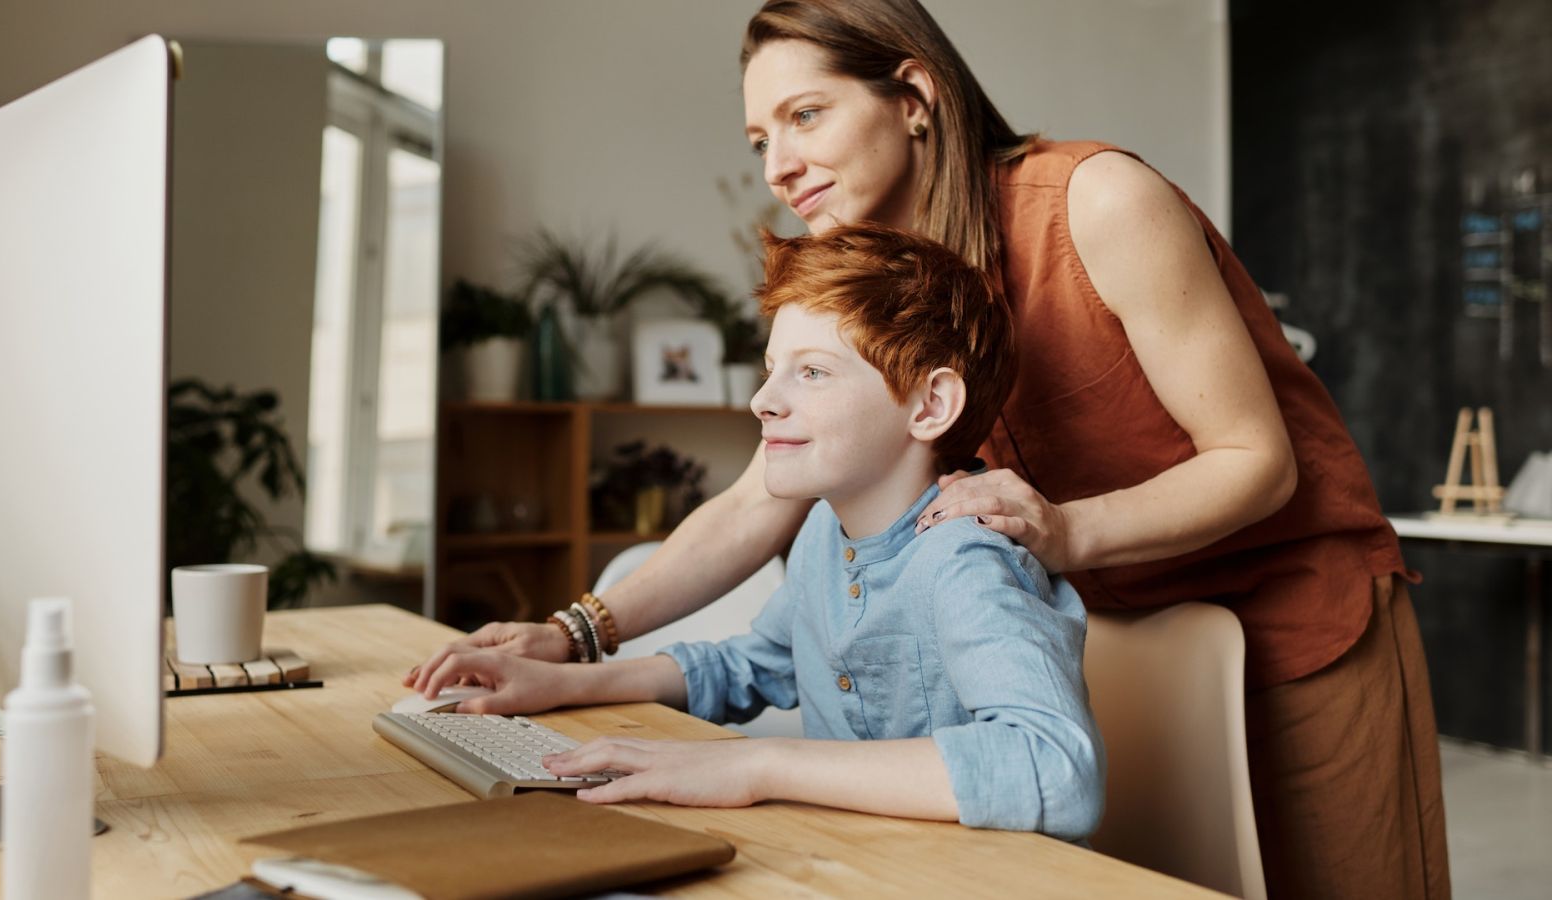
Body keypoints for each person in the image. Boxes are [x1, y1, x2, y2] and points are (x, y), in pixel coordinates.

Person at [410, 2, 1448, 896]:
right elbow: (756, 500)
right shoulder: (862, 268)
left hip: (1295, 617)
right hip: (1111, 623)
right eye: (757, 139)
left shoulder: (1096, 201)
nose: (779, 164)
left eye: (805, 115)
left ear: (914, 96)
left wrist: (1063, 529)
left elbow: (1254, 461)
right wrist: (574, 634)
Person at [410, 223, 1105, 838]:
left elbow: (1055, 767)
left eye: (811, 372)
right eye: (774, 369)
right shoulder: (822, 538)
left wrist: (758, 764)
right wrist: (560, 682)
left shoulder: (967, 559)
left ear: (929, 405)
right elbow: (756, 665)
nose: (763, 400)